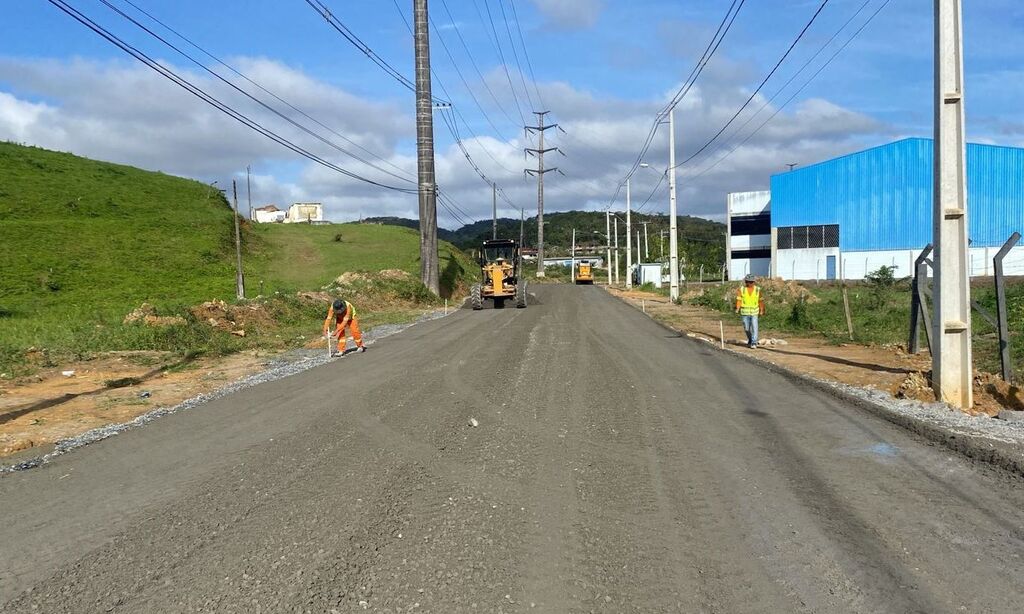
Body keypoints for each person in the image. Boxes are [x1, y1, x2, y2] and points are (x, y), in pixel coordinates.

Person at [735, 274, 765, 349]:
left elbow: (760, 301)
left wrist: (761, 310)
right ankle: (750, 339)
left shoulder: (758, 289)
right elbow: (739, 300)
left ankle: (754, 342)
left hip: (754, 312)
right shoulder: (742, 289)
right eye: (748, 282)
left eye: (751, 282)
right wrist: (737, 308)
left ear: (754, 282)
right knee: (747, 328)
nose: (750, 283)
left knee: (755, 327)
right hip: (745, 312)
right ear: (746, 282)